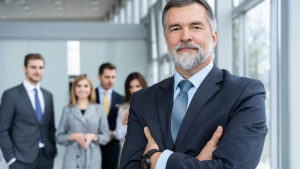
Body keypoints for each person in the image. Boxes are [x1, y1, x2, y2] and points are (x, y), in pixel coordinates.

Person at [119, 0, 268, 169]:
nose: (185, 36)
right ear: (166, 40)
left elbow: (232, 167)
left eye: (195, 27)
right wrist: (197, 164)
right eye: (175, 29)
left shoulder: (245, 94)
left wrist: (157, 160)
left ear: (213, 38)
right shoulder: (142, 100)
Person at [0, 53, 57, 169]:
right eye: (33, 67)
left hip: (46, 158)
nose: (37, 71)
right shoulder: (11, 95)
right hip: (20, 159)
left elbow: (51, 126)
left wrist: (52, 150)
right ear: (25, 69)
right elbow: (3, 130)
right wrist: (10, 159)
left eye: (41, 68)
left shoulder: (48, 95)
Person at [56, 74, 110, 169]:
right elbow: (59, 137)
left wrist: (94, 137)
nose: (82, 89)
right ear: (74, 88)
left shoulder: (99, 109)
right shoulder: (68, 110)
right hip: (72, 159)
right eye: (79, 86)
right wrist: (73, 136)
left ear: (90, 88)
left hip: (93, 158)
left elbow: (106, 136)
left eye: (86, 86)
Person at [95, 63, 124, 169]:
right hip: (94, 145)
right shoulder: (90, 97)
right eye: (107, 77)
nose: (110, 80)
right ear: (99, 77)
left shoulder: (121, 99)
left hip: (113, 148)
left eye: (113, 77)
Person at [115, 72, 147, 164]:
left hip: (146, 150)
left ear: (143, 86)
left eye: (137, 86)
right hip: (128, 151)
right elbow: (119, 135)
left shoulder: (150, 105)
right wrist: (126, 120)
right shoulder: (123, 108)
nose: (134, 90)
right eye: (131, 87)